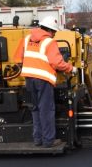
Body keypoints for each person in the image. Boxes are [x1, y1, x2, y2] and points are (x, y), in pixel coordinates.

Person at [14, 16, 74, 148]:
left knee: (35, 109)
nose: (54, 35)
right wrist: (71, 68)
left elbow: (17, 58)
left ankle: (38, 139)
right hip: (43, 80)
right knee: (46, 110)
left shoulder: (26, 39)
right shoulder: (49, 42)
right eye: (54, 32)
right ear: (50, 31)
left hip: (29, 79)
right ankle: (48, 141)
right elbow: (56, 62)